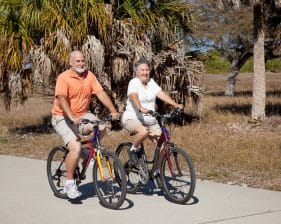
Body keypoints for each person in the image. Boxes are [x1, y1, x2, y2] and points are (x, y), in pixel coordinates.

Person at [51, 50, 119, 199]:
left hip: (82, 115)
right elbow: (61, 99)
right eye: (78, 61)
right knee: (75, 146)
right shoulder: (64, 78)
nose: (81, 64)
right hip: (62, 116)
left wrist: (113, 110)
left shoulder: (89, 75)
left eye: (83, 61)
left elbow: (100, 93)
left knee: (101, 126)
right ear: (70, 63)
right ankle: (69, 183)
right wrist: (72, 117)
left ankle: (86, 151)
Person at [121, 58, 183, 179]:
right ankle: (133, 149)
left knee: (164, 144)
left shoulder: (151, 82)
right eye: (142, 70)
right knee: (143, 131)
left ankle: (156, 171)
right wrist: (140, 107)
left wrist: (175, 104)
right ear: (137, 72)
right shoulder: (133, 83)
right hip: (133, 118)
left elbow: (161, 94)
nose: (145, 72)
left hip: (150, 119)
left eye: (147, 69)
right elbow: (133, 96)